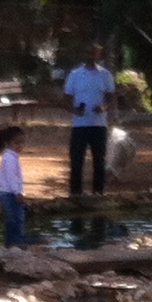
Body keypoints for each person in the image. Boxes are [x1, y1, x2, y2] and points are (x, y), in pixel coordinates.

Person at [63, 43, 115, 196]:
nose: (91, 56)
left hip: (98, 125)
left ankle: (98, 193)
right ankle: (76, 194)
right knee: (76, 161)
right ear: (84, 54)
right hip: (80, 125)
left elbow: (111, 98)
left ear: (99, 55)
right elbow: (66, 100)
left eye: (94, 53)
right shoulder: (75, 75)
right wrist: (75, 110)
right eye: (88, 53)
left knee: (99, 161)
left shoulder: (105, 75)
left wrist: (103, 107)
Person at [0, 123, 28, 246]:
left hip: (11, 193)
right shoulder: (9, 158)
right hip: (9, 194)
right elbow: (11, 177)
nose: (20, 146)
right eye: (17, 143)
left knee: (17, 218)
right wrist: (17, 193)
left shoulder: (12, 157)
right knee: (15, 219)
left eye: (22, 143)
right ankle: (14, 243)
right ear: (8, 143)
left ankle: (16, 242)